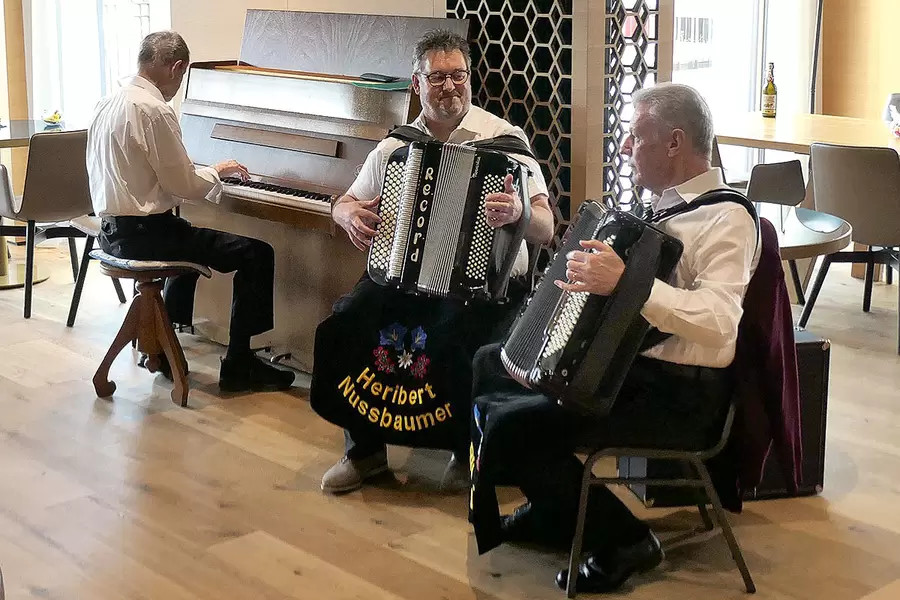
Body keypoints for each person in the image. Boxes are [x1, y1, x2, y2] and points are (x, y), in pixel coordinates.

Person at [468, 82, 760, 593]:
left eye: (634, 136)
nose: (625, 148)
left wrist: (627, 284)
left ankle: (625, 540)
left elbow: (720, 321)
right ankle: (554, 507)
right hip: (631, 373)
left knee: (519, 428)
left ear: (673, 142)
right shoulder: (659, 208)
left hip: (681, 395)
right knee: (489, 365)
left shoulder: (727, 217)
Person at [318, 29, 554, 494]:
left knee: (464, 337)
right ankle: (363, 452)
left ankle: (464, 450)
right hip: (405, 279)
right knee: (348, 321)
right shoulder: (395, 147)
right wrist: (345, 214)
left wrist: (520, 212)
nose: (450, 86)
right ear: (416, 83)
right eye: (438, 77)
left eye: (458, 76)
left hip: (486, 285)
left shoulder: (505, 141)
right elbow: (346, 201)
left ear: (471, 78)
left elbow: (547, 228)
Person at [87, 30, 294, 393]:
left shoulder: (107, 102)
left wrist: (195, 173)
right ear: (177, 67)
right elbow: (185, 187)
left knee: (187, 236)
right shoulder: (154, 110)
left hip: (111, 233)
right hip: (147, 238)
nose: (178, 85)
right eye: (181, 77)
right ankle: (239, 362)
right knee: (256, 253)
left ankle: (169, 345)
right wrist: (218, 170)